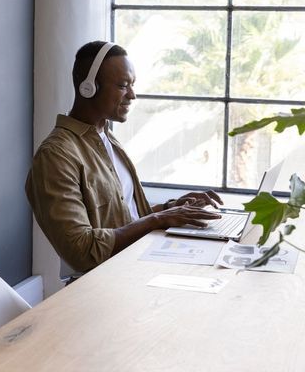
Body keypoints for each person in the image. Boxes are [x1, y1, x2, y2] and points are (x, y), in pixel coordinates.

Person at [25, 41, 223, 280]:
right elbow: (80, 250)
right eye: (122, 85)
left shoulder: (107, 139)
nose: (132, 95)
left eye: (132, 85)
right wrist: (157, 219)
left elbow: (125, 219)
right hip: (97, 285)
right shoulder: (56, 155)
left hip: (131, 269)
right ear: (89, 88)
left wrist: (173, 209)